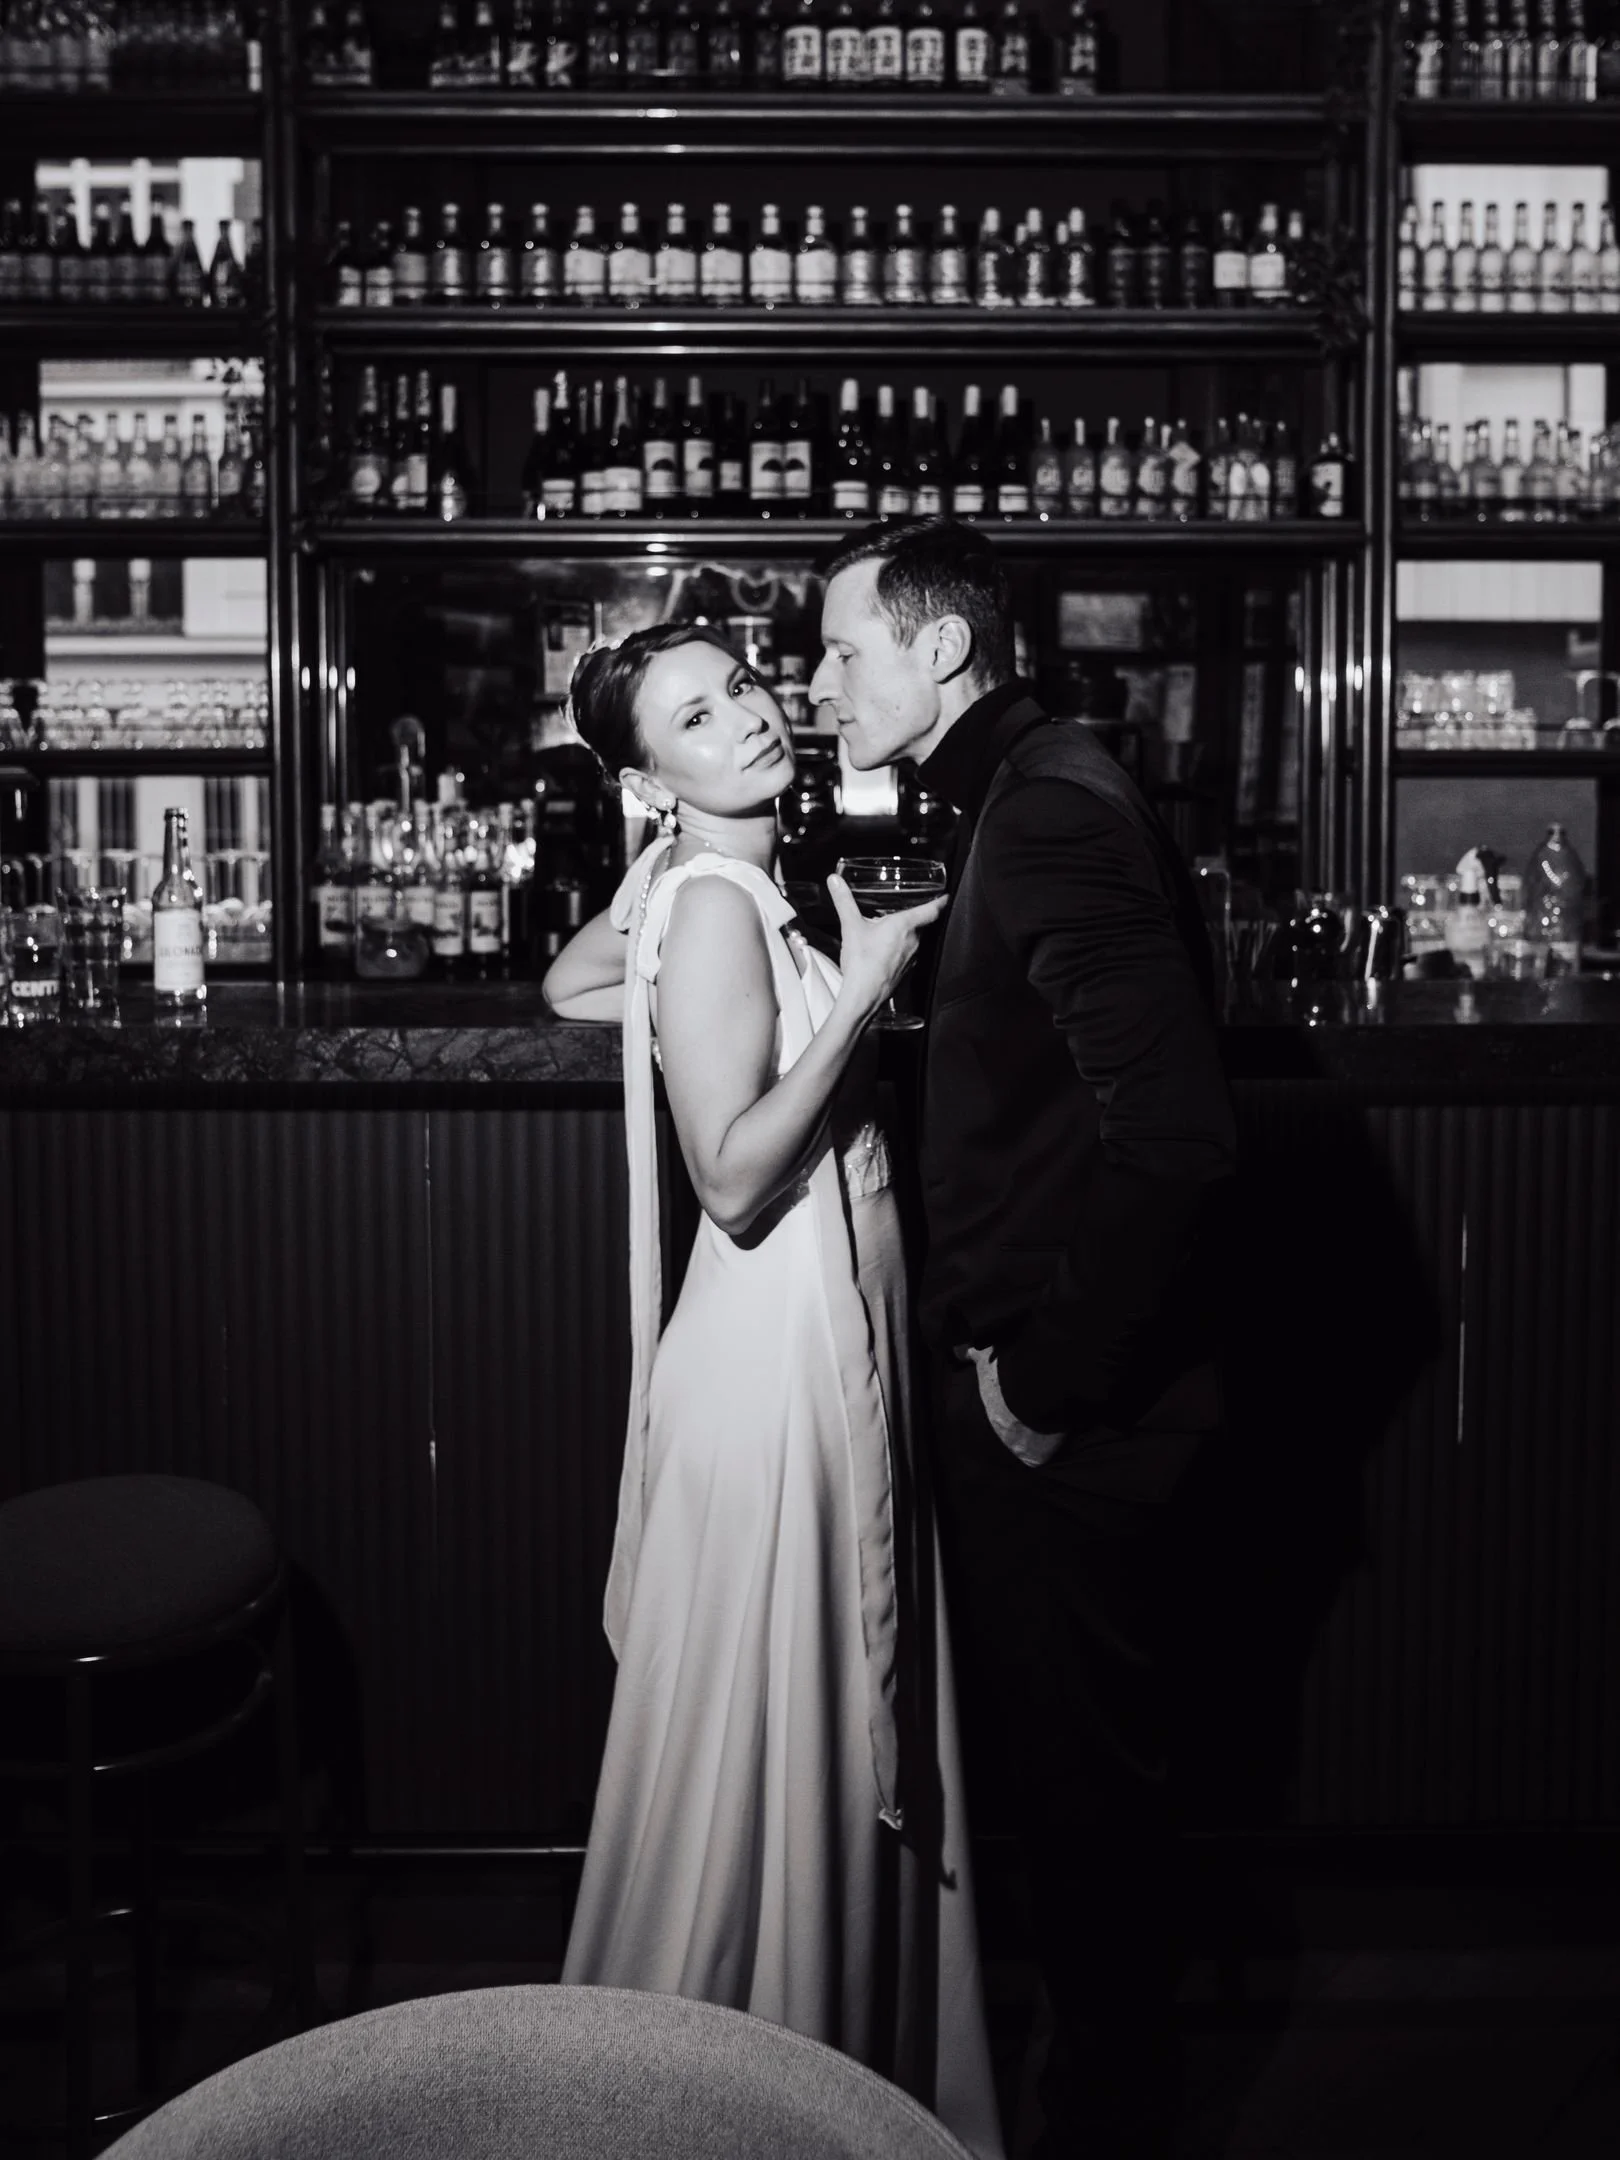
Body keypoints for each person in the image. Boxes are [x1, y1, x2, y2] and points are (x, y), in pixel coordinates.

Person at [543, 623, 1004, 2160]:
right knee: (768, 1744)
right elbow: (733, 1178)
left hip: (803, 1342)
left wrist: (662, 890)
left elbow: (571, 980)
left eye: (740, 685)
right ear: (644, 772)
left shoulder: (709, 887)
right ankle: (749, 2105)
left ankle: (777, 2083)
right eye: (692, 715)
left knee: (770, 1743)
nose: (742, 714)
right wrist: (865, 983)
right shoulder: (727, 902)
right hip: (779, 1363)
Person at [807, 519, 1238, 2160]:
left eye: (848, 649)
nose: (825, 679)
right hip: (1025, 1376)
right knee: (1065, 1804)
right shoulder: (999, 783)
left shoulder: (1048, 803)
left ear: (940, 650)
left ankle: (1108, 2127)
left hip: (1076, 1408)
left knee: (1091, 1817)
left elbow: (1178, 1141)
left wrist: (1045, 1387)